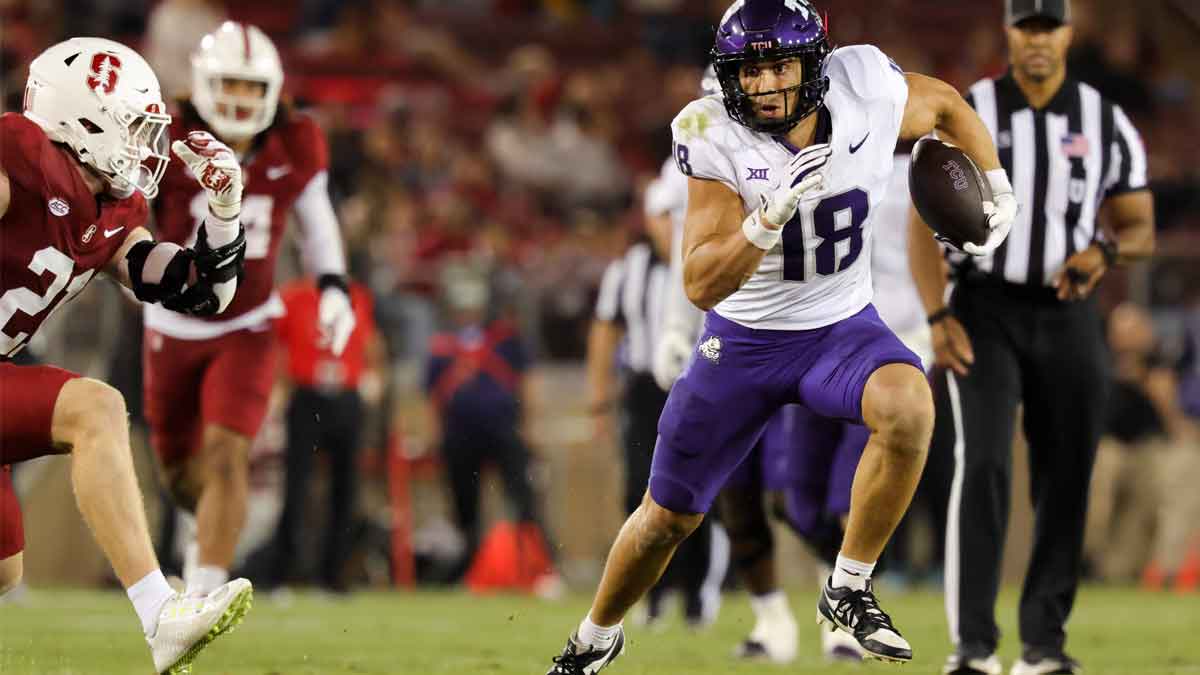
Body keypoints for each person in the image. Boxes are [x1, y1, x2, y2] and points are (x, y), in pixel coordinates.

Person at [543, 0, 1018, 671]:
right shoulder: (713, 132)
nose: (764, 85)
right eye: (749, 70)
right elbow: (702, 284)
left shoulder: (867, 92)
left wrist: (996, 184)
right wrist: (763, 221)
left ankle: (848, 585)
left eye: (779, 65)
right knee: (666, 518)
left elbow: (944, 105)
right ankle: (594, 636)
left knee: (911, 405)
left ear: (814, 64)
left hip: (839, 327)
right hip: (745, 343)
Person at [907, 1, 1156, 673]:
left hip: (1069, 307)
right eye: (1026, 25)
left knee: (1068, 471)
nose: (1038, 39)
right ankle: (974, 648)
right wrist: (936, 315)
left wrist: (1102, 253)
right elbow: (921, 218)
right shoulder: (971, 108)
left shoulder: (1105, 120)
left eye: (1050, 25)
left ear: (1070, 33)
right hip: (983, 303)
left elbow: (1139, 225)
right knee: (983, 463)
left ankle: (1043, 645)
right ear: (1007, 31)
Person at [0, 37, 252, 674]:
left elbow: (194, 289)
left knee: (2, 569)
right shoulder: (15, 162)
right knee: (95, 407)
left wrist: (223, 216)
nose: (146, 146)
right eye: (134, 127)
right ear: (83, 119)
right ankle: (159, 613)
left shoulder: (113, 210)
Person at [143, 22, 356, 599]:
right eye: (228, 87)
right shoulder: (167, 134)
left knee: (227, 453)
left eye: (250, 89)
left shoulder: (297, 141)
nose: (239, 101)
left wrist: (334, 286)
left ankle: (202, 593)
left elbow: (317, 224)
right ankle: (202, 533)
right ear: (205, 86)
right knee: (180, 476)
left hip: (247, 321)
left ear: (273, 93)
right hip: (169, 321)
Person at [588, 201, 727, 629]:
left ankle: (698, 596)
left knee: (699, 495)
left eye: (677, 214)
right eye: (663, 215)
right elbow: (607, 327)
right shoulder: (629, 269)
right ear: (649, 219)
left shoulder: (712, 256)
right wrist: (598, 396)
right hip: (645, 388)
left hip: (704, 384)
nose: (671, 225)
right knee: (638, 489)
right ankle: (648, 597)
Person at [424, 270, 558, 591]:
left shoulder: (507, 339)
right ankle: (471, 571)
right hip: (459, 436)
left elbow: (527, 383)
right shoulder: (442, 347)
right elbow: (431, 396)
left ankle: (541, 569)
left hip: (503, 431)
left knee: (524, 501)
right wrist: (433, 436)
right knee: (464, 508)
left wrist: (530, 427)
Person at [266, 277, 378, 593]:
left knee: (346, 488)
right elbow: (276, 344)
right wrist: (278, 388)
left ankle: (333, 575)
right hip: (307, 394)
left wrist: (372, 376)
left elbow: (371, 343)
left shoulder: (358, 296)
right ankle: (284, 572)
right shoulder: (295, 297)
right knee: (296, 485)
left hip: (346, 395)